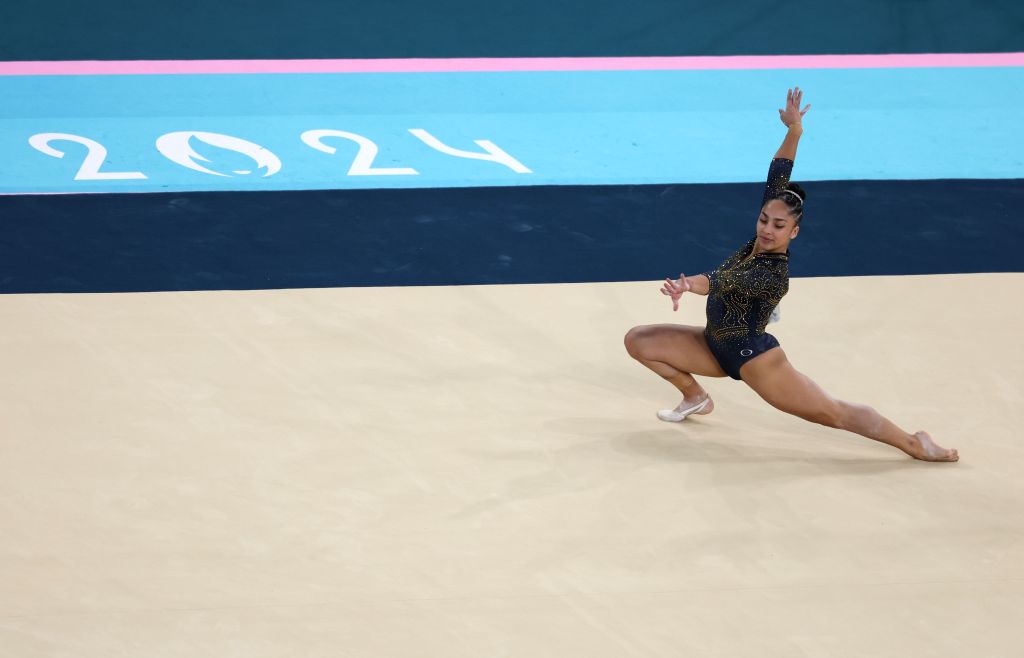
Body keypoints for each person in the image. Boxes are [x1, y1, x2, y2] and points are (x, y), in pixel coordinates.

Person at [623, 88, 958, 463]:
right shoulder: (760, 236)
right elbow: (778, 173)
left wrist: (688, 284)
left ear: (793, 232)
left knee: (833, 413)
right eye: (764, 219)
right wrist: (795, 131)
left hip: (754, 359)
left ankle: (914, 442)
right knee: (640, 341)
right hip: (714, 344)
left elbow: (721, 282)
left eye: (778, 225)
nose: (767, 228)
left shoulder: (773, 273)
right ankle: (695, 398)